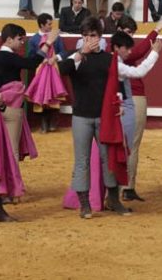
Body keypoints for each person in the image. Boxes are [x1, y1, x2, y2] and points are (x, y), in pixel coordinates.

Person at [57, 17, 133, 219]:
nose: (89, 39)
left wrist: (120, 104)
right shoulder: (75, 57)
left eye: (93, 35)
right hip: (81, 117)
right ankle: (84, 205)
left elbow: (118, 87)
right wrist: (81, 54)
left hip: (104, 117)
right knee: (82, 161)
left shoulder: (109, 59)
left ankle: (114, 200)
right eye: (86, 36)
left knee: (108, 159)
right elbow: (61, 71)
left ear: (100, 37)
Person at [0, 24, 49, 162]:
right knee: (12, 150)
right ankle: (11, 181)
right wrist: (47, 44)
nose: (22, 43)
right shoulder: (9, 57)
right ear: (9, 40)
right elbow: (31, 63)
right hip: (11, 109)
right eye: (20, 39)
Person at [119, 16, 162, 201]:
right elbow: (137, 54)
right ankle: (124, 187)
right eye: (126, 32)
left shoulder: (117, 49)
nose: (129, 36)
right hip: (132, 97)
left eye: (131, 33)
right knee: (129, 145)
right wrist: (156, 30)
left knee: (131, 144)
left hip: (128, 96)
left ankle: (127, 187)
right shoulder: (120, 50)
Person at [28, 13, 65, 132]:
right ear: (42, 25)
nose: (51, 26)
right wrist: (41, 59)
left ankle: (52, 121)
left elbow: (63, 52)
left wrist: (55, 58)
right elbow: (31, 56)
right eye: (49, 24)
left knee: (53, 94)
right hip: (41, 70)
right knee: (42, 95)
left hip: (53, 68)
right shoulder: (34, 39)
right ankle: (44, 122)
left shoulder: (56, 37)